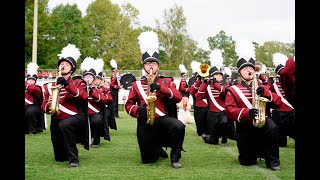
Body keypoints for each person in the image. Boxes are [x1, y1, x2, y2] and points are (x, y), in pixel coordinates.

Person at [125, 31, 185, 168]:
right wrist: (137, 110)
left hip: (162, 119)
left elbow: (178, 97)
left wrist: (161, 88)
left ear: (158, 66)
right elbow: (128, 106)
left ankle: (175, 158)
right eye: (147, 64)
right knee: (148, 160)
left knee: (179, 126)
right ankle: (157, 149)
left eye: (154, 63)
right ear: (143, 66)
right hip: (144, 122)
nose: (151, 66)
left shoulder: (167, 81)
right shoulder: (136, 85)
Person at [225, 56, 283, 171]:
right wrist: (246, 112)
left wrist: (266, 93)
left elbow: (279, 102)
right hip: (245, 124)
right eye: (245, 68)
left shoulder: (263, 87)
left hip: (263, 119)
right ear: (240, 72)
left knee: (272, 127)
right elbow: (229, 109)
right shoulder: (233, 89)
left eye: (250, 68)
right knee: (247, 162)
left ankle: (273, 161)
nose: (249, 70)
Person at [41, 44, 89, 168]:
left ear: (72, 69)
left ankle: (74, 159)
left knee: (65, 124)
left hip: (75, 117)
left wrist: (67, 84)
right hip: (56, 118)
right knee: (60, 157)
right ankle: (65, 153)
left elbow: (82, 97)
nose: (63, 65)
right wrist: (49, 106)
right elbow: (43, 105)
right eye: (61, 64)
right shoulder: (48, 86)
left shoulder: (78, 82)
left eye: (67, 64)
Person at [196, 66, 230, 146]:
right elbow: (198, 96)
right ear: (212, 76)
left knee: (224, 122)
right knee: (214, 141)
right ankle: (209, 138)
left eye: (220, 75)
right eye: (217, 74)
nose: (219, 76)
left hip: (223, 112)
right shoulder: (207, 87)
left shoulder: (225, 86)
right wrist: (204, 83)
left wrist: (215, 84)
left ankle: (224, 139)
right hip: (212, 114)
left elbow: (224, 92)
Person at [267, 67, 296, 147]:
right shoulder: (274, 85)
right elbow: (267, 92)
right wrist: (269, 83)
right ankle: (281, 142)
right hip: (280, 110)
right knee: (280, 132)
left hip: (291, 110)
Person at [25, 62, 45, 135]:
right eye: (29, 80)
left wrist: (26, 84)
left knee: (30, 112)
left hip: (34, 106)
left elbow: (32, 89)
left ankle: (32, 130)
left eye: (32, 80)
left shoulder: (37, 88)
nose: (30, 81)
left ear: (35, 81)